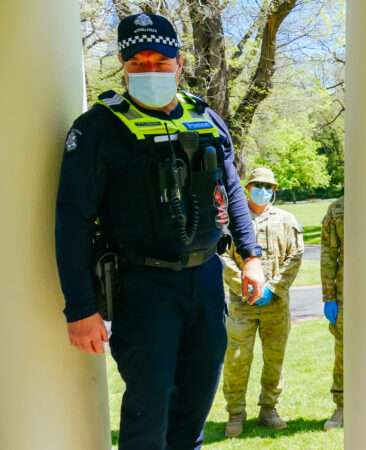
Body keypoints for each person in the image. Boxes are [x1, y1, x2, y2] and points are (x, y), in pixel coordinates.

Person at [55, 13, 265, 450]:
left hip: (204, 279)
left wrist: (253, 257)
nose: (150, 71)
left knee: (195, 403)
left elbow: (232, 190)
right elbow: (72, 222)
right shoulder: (97, 129)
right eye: (139, 63)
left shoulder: (206, 119)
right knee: (149, 410)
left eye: (160, 61)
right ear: (123, 64)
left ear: (180, 61)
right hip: (141, 285)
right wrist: (80, 308)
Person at [222, 167, 304, 438]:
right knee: (237, 358)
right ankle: (235, 413)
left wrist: (273, 287)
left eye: (268, 187)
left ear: (274, 190)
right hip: (242, 304)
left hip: (275, 304)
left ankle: (269, 409)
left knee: (274, 358)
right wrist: (243, 285)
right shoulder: (233, 220)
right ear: (248, 188)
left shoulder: (286, 220)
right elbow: (221, 256)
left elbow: (296, 255)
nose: (263, 190)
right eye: (258, 185)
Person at [320, 196, 344, 429]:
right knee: (343, 348)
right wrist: (329, 297)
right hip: (346, 292)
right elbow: (328, 254)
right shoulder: (338, 209)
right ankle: (343, 405)